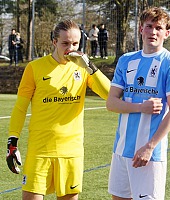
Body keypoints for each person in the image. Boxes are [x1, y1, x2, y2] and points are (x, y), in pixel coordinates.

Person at [6, 19, 111, 200]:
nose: (70, 48)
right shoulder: (34, 68)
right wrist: (12, 141)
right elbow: (20, 108)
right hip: (40, 151)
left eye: (75, 43)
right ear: (54, 42)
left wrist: (89, 66)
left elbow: (110, 95)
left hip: (71, 151)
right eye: (65, 43)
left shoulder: (83, 68)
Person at [106, 7, 170, 200]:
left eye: (159, 27)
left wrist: (150, 147)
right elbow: (111, 103)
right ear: (141, 29)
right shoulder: (126, 60)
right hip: (122, 150)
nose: (153, 32)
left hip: (150, 154)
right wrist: (141, 107)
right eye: (149, 26)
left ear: (166, 33)